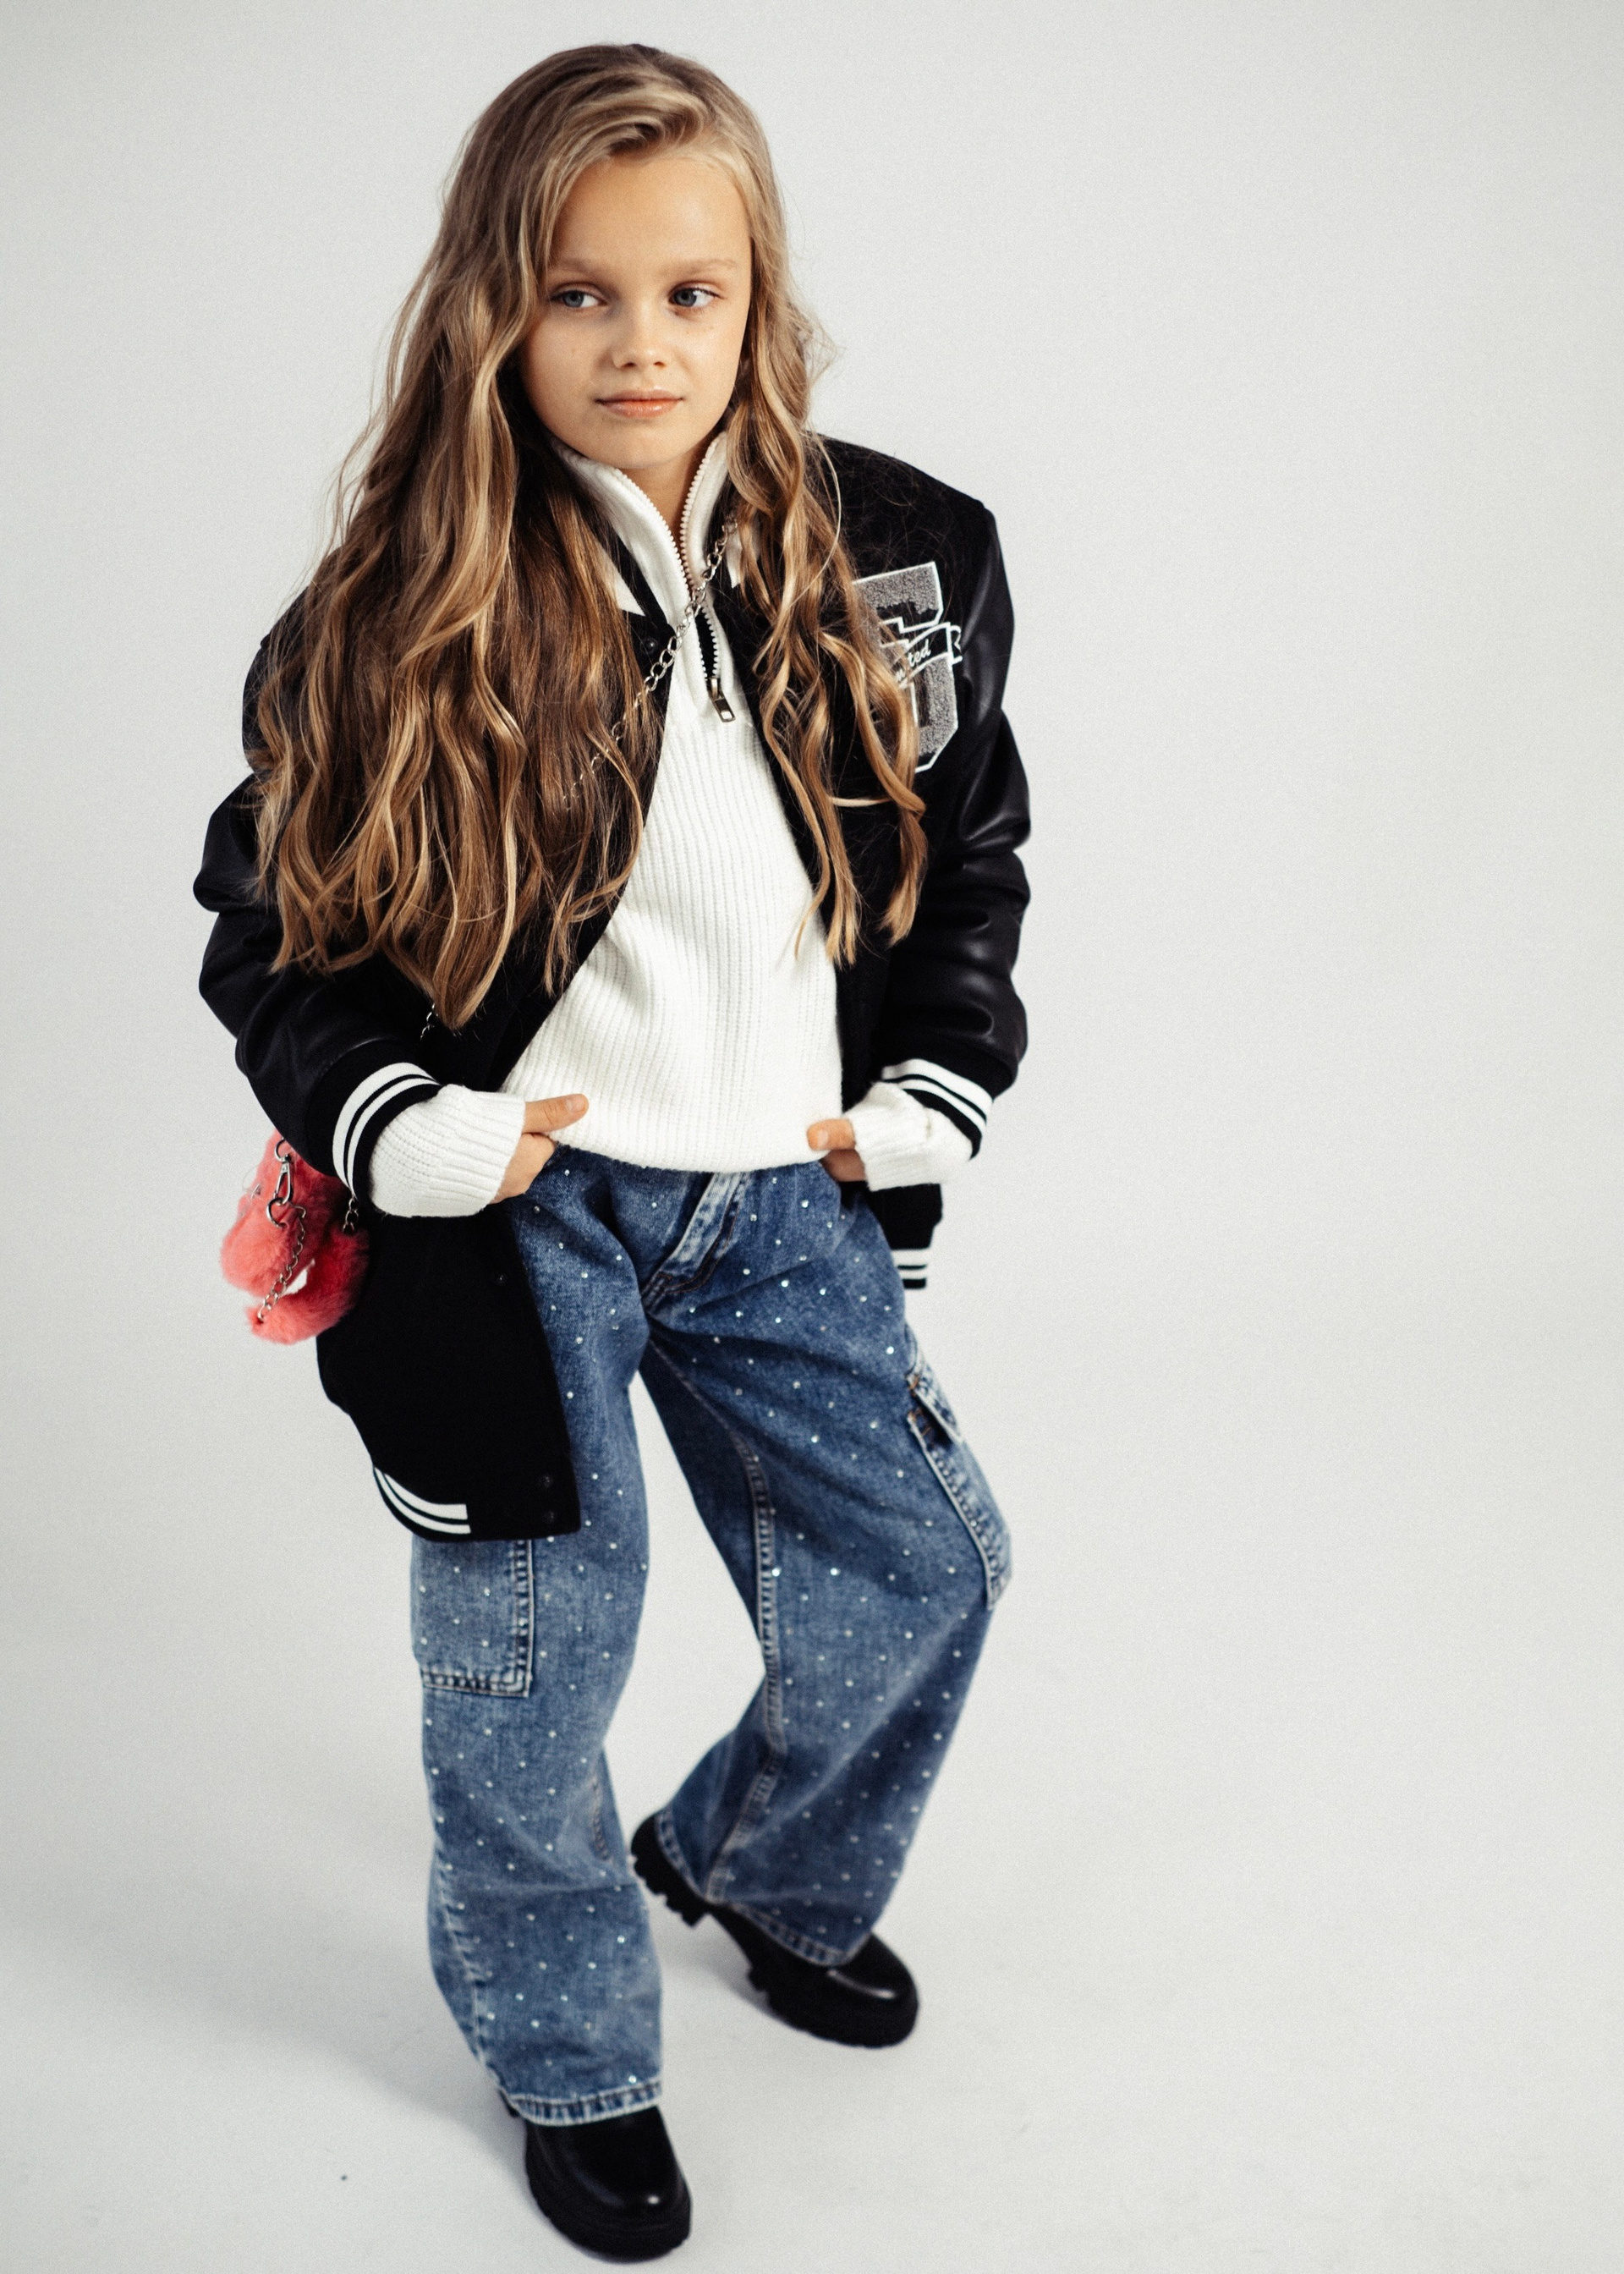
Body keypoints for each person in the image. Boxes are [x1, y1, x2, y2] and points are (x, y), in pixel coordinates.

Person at [195, 42, 1029, 2262]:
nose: (641, 343)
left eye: (690, 292)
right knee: (528, 1667)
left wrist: (937, 1080)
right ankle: (569, 2053)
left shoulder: (905, 560)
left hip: (786, 1191)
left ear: (762, 298)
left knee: (928, 1565)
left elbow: (965, 861)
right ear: (496, 304)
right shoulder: (394, 612)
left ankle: (757, 1866)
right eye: (579, 293)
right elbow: (269, 932)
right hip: (522, 1215)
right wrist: (401, 1126)